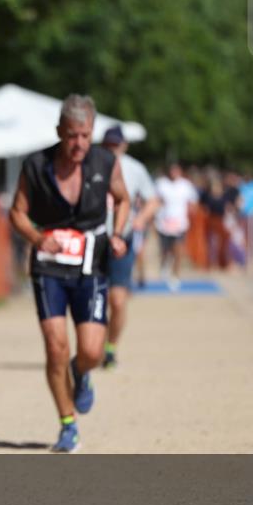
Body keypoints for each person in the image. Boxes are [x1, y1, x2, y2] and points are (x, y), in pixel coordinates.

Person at [10, 94, 129, 453]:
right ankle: (67, 424)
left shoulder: (105, 161)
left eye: (85, 135)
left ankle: (82, 373)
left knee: (91, 351)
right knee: (55, 347)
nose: (78, 144)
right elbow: (16, 212)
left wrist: (118, 234)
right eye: (72, 135)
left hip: (91, 262)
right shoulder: (35, 165)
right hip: (48, 268)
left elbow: (123, 199)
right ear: (60, 131)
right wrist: (36, 237)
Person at [100, 126, 160, 369]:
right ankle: (93, 343)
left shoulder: (135, 169)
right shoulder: (89, 165)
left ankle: (111, 347)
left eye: (117, 145)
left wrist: (140, 219)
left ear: (124, 146)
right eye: (109, 145)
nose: (113, 149)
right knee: (93, 300)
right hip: (94, 240)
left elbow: (153, 200)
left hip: (121, 240)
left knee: (117, 300)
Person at [154, 162, 199, 290]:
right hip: (163, 224)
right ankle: (165, 265)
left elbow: (193, 202)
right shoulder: (161, 183)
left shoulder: (186, 185)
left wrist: (191, 213)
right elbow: (155, 200)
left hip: (180, 224)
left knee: (178, 251)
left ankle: (176, 276)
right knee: (165, 250)